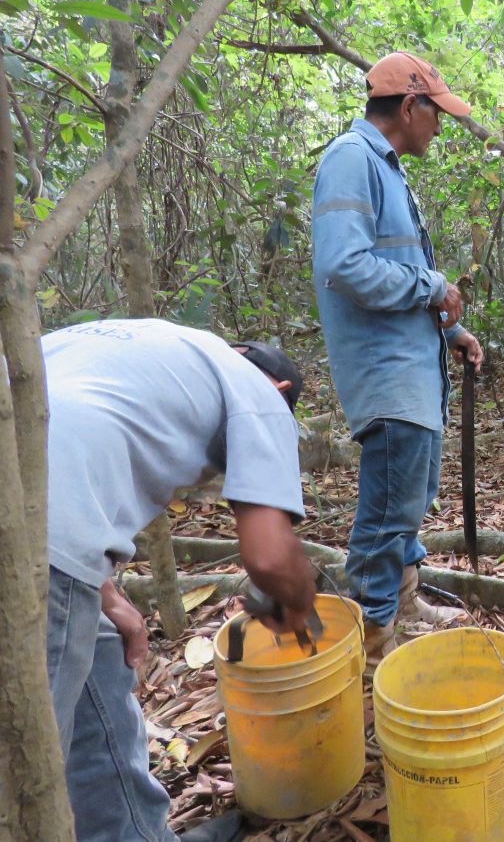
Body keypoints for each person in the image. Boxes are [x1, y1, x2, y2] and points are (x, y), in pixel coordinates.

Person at [42, 318, 318, 842]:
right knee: (23, 764)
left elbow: (59, 439)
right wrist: (301, 607)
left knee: (97, 659)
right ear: (280, 391)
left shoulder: (147, 342)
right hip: (31, 546)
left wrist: (105, 593)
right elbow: (269, 557)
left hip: (42, 522)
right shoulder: (255, 392)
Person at [311, 51, 483, 665]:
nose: (441, 125)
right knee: (385, 517)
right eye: (436, 113)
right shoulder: (350, 160)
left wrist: (450, 333)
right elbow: (344, 265)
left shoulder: (387, 170)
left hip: (413, 371)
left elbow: (395, 272)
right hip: (387, 380)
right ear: (409, 107)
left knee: (406, 501)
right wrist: (432, 288)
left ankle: (402, 603)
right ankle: (371, 641)